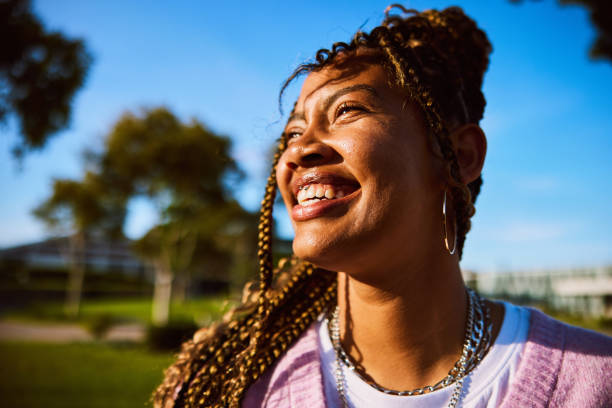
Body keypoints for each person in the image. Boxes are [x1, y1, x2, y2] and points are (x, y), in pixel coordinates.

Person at [154, 5, 612, 408]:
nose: (299, 150)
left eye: (348, 111)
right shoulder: (228, 390)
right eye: (293, 133)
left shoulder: (596, 381)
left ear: (461, 157)